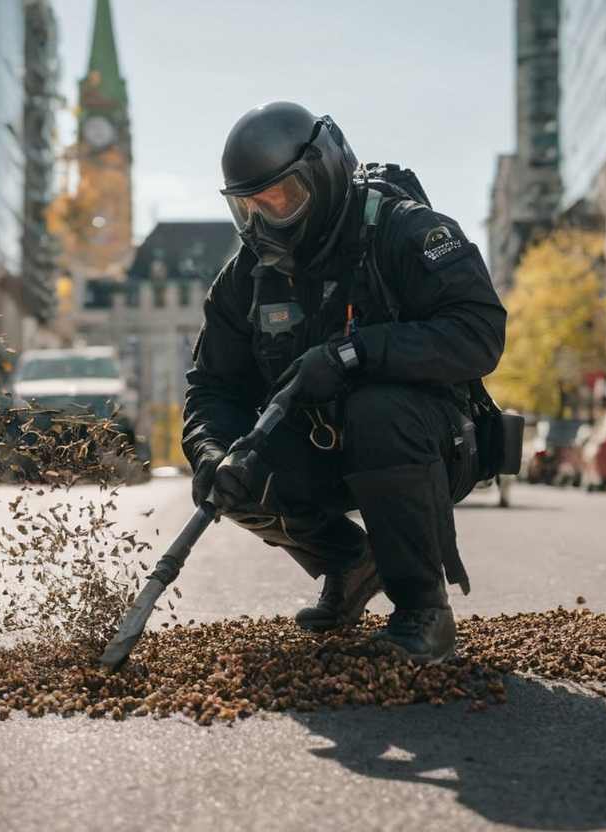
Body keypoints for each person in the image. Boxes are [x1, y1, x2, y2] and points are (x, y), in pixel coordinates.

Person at [183, 102, 506, 663]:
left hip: (432, 444)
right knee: (236, 462)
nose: (263, 223)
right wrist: (211, 451)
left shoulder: (407, 230)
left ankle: (422, 611)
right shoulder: (245, 277)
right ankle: (351, 563)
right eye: (247, 207)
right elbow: (212, 388)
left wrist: (355, 354)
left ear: (323, 175)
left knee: (378, 410)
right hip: (322, 445)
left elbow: (480, 332)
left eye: (279, 200)